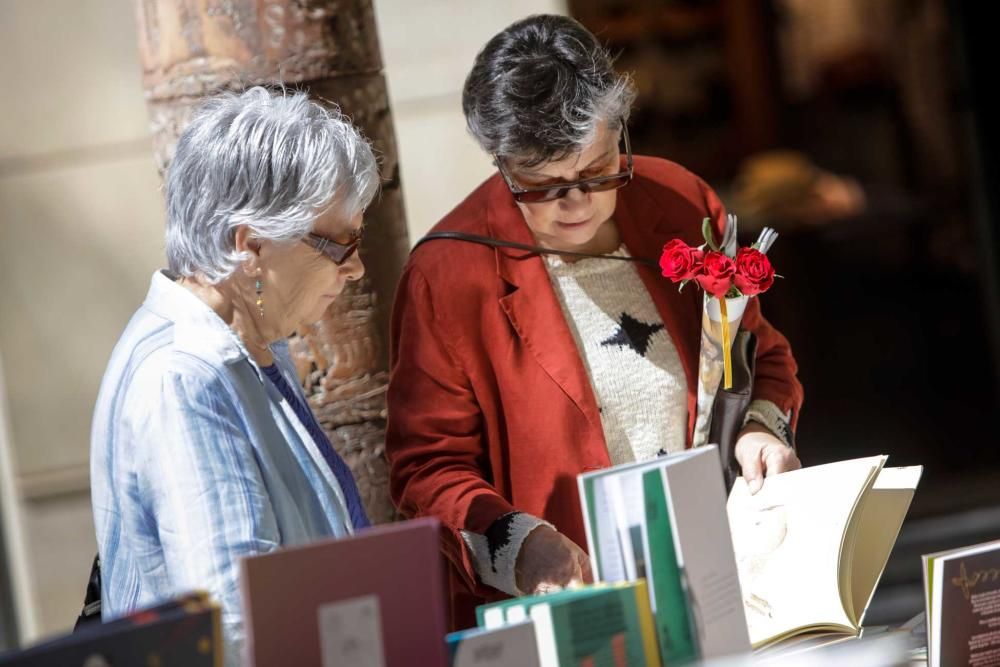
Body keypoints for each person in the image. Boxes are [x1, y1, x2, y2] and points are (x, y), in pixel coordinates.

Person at [385, 15, 804, 629]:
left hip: (726, 577)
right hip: (569, 608)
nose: (577, 201)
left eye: (598, 169)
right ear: (500, 161)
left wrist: (761, 431)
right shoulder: (449, 272)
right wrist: (518, 543)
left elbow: (760, 358)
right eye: (543, 184)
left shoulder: (679, 201)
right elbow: (427, 467)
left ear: (620, 133)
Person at [90, 86, 378, 664]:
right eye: (339, 244)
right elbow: (238, 623)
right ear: (250, 246)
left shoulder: (248, 344)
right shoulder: (183, 376)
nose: (356, 268)